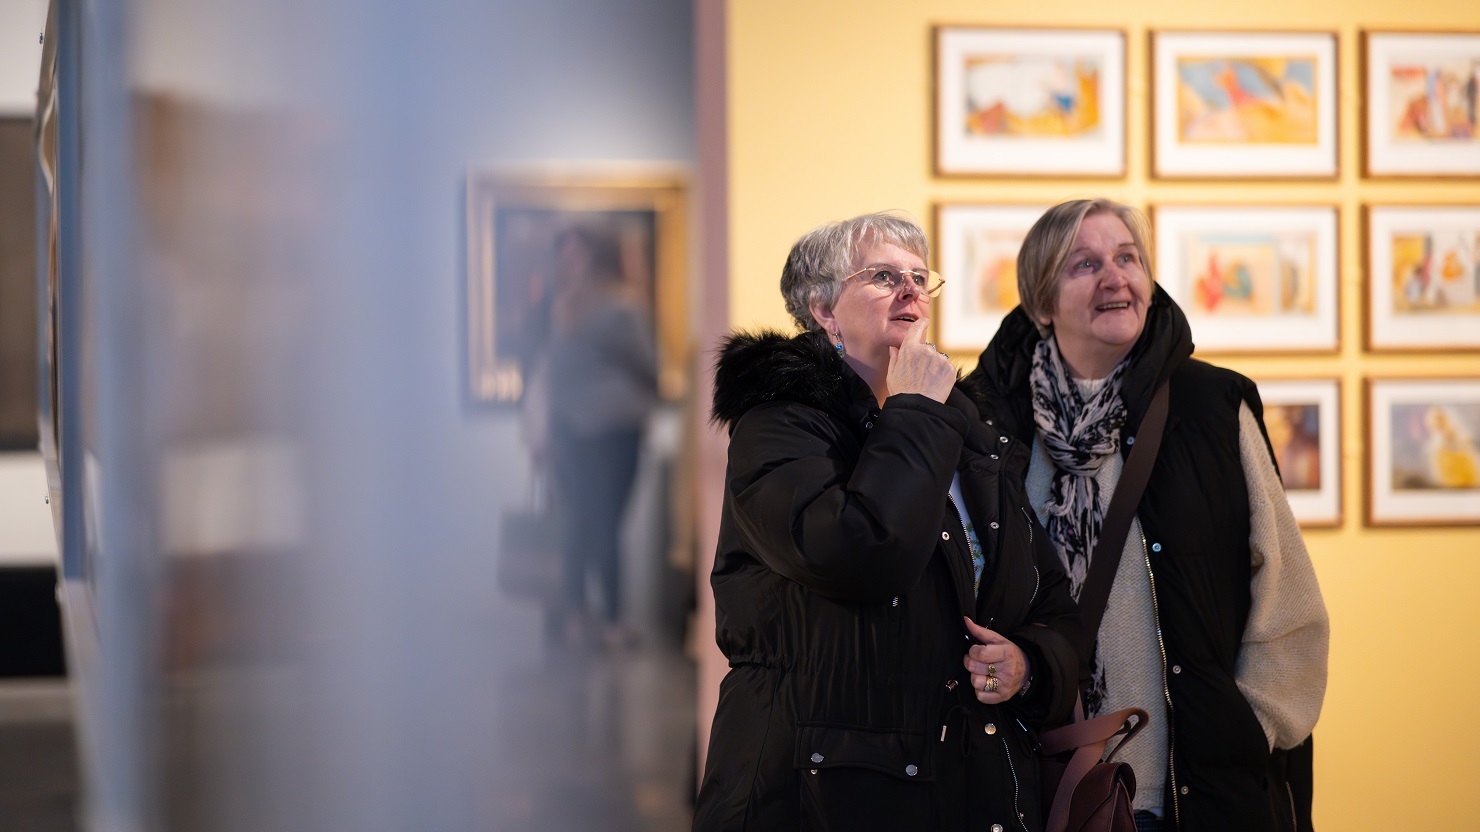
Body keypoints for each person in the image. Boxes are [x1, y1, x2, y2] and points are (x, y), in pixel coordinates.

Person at [694, 212, 1080, 830]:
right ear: (823, 310)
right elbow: (859, 554)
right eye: (882, 276)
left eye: (919, 278)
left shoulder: (966, 430)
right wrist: (916, 413)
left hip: (964, 785)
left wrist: (1028, 664)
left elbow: (1048, 600)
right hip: (812, 796)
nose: (910, 293)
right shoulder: (778, 425)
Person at [961, 199, 1330, 832]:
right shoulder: (991, 425)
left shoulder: (1211, 407)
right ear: (1041, 304)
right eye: (1084, 264)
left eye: (1127, 258)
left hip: (1187, 794)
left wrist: (1248, 730)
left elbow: (1289, 601)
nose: (1114, 277)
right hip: (1039, 791)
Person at [543, 224, 658, 646]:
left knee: (582, 522)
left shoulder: (564, 309)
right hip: (613, 430)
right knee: (605, 524)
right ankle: (610, 622)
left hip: (573, 432)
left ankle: (578, 615)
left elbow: (556, 378)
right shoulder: (621, 307)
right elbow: (649, 367)